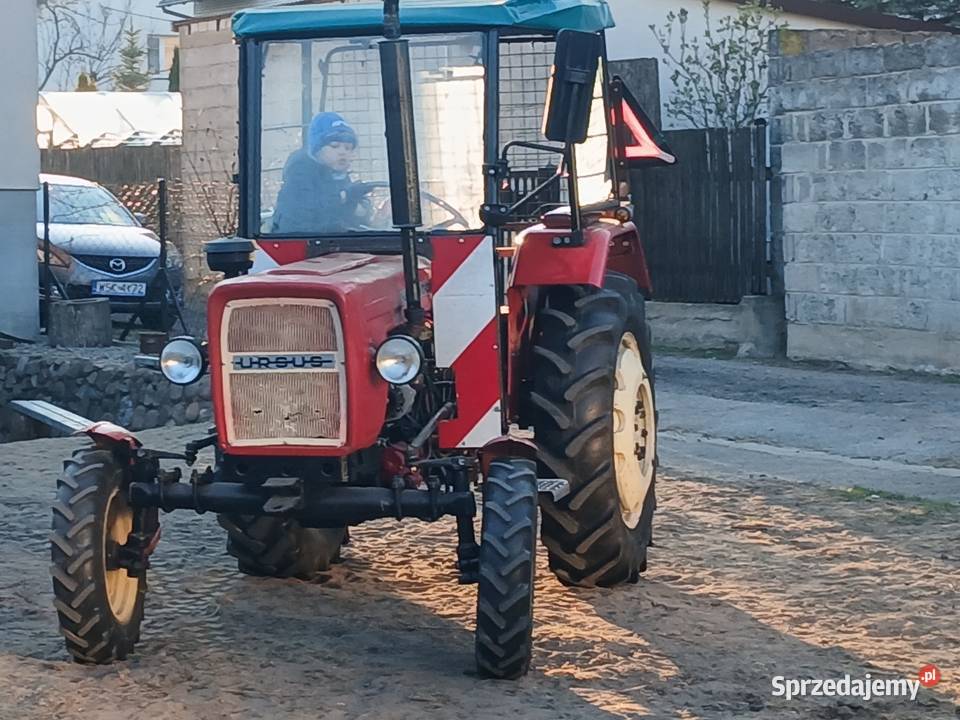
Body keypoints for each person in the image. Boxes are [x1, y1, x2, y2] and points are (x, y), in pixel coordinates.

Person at [271, 111, 365, 234]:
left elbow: (348, 219)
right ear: (317, 150)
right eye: (334, 146)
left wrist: (363, 209)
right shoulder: (300, 174)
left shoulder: (338, 175)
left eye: (348, 148)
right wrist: (344, 197)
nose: (343, 152)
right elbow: (303, 216)